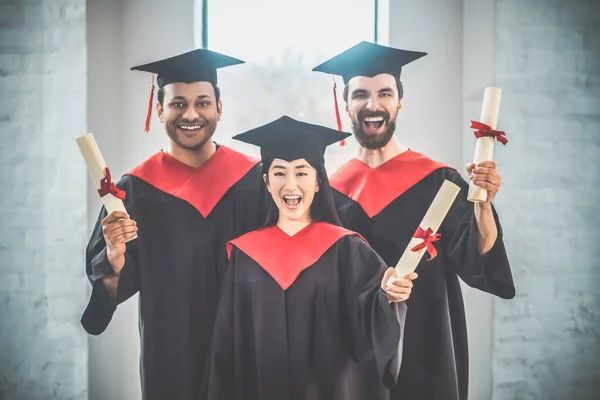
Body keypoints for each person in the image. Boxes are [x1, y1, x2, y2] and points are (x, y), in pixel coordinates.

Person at [312, 41, 515, 400]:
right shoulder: (328, 194)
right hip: (355, 351)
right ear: (346, 105)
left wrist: (483, 206)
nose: (373, 105)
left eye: (384, 93)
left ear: (399, 102)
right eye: (360, 94)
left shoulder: (440, 183)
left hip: (428, 345)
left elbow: (477, 260)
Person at [80, 48, 262, 400]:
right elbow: (113, 285)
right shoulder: (134, 190)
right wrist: (115, 253)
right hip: (170, 354)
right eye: (178, 104)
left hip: (245, 343)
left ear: (219, 109)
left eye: (203, 103)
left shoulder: (253, 180)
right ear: (159, 109)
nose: (191, 114)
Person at [206, 116, 418, 400]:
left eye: (302, 173)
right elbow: (226, 346)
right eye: (279, 173)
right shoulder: (245, 255)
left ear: (319, 181)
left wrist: (387, 295)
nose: (290, 184)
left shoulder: (347, 248)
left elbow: (372, 318)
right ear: (266, 182)